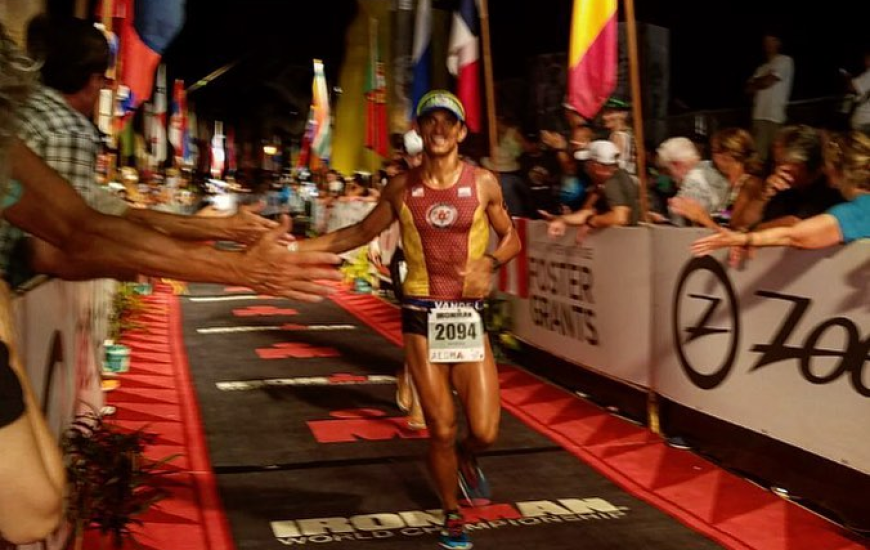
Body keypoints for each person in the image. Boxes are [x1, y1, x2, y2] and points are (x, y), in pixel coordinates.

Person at [297, 90, 521, 549]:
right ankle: (451, 514)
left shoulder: (483, 183)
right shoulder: (401, 188)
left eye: (448, 122)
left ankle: (467, 458)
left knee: (484, 430)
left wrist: (492, 263)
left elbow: (512, 237)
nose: (439, 130)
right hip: (421, 315)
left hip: (466, 315)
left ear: (460, 131)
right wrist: (297, 250)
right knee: (439, 427)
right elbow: (360, 233)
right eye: (430, 122)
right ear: (419, 131)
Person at [2, 16, 278, 283]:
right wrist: (235, 265)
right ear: (93, 80)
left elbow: (102, 214)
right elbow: (65, 243)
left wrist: (213, 229)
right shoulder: (64, 127)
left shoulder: (23, 117)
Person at [691, 131, 869, 263]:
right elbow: (741, 224)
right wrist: (763, 198)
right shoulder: (778, 187)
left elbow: (796, 234)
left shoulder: (855, 210)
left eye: (783, 163)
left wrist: (746, 238)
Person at [540, 140, 640, 242]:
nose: (586, 168)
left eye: (588, 163)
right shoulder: (606, 182)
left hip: (625, 243)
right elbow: (588, 212)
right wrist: (562, 219)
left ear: (596, 166)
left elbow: (620, 217)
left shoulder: (612, 182)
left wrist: (592, 222)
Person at [745, 31, 794, 163]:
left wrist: (757, 82)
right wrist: (761, 81)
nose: (767, 44)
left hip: (775, 116)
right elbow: (748, 89)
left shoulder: (785, 60)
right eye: (766, 42)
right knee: (757, 156)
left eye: (771, 41)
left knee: (778, 156)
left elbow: (767, 82)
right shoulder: (761, 68)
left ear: (778, 43)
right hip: (759, 115)